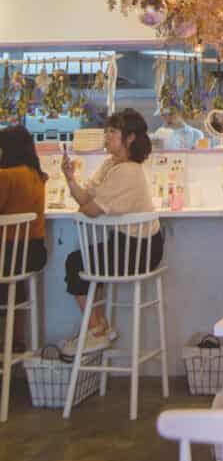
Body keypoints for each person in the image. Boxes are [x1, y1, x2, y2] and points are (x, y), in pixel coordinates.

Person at [60, 108, 163, 355]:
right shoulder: (111, 165)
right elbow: (85, 198)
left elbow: (91, 209)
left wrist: (84, 205)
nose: (106, 136)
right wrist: (70, 178)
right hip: (127, 243)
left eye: (112, 132)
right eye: (106, 131)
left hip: (140, 250)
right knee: (83, 260)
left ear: (130, 138)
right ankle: (99, 327)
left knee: (76, 261)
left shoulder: (128, 170)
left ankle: (97, 328)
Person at [0, 126, 48, 351]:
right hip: (33, 253)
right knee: (13, 285)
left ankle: (9, 340)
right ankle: (14, 339)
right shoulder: (37, 175)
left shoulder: (6, 176)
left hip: (8, 255)